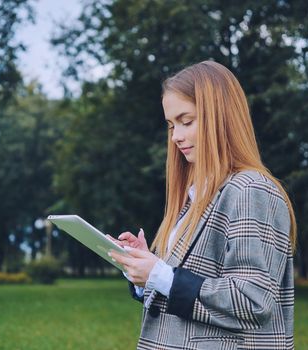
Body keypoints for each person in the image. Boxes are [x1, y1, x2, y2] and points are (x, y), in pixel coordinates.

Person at [108, 60, 296, 350]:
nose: (176, 137)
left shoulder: (250, 190)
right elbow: (181, 289)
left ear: (220, 116)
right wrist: (145, 270)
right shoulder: (195, 196)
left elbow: (254, 301)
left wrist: (161, 274)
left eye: (186, 121)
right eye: (171, 125)